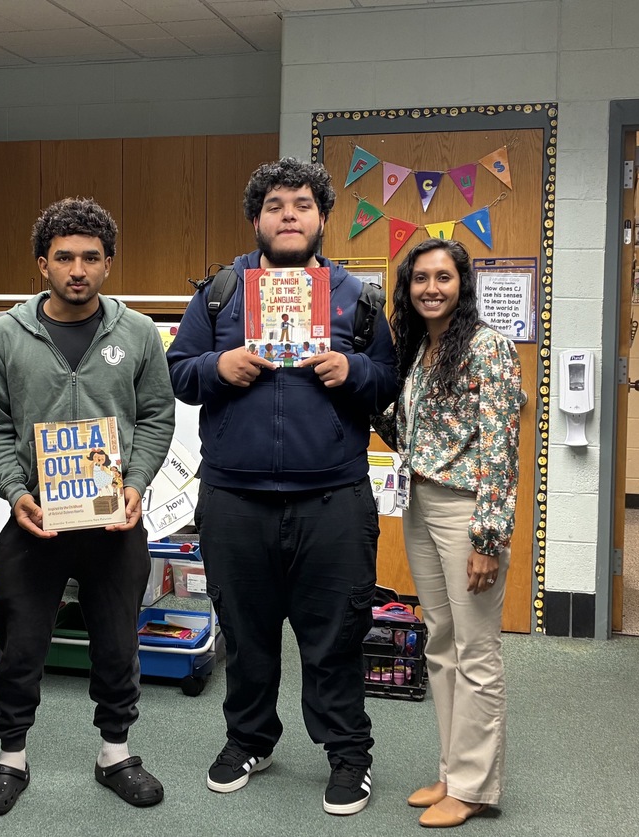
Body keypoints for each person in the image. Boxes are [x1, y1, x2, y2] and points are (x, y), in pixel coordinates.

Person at [167, 157, 398, 816]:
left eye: (301, 203)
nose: (289, 214)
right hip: (235, 497)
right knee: (246, 631)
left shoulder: (358, 296)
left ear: (321, 217)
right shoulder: (220, 291)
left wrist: (351, 367)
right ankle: (249, 739)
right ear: (257, 217)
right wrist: (221, 363)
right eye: (275, 204)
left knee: (336, 633)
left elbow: (386, 380)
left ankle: (349, 752)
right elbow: (179, 373)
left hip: (332, 498)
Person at [0, 197, 175, 816]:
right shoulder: (6, 335)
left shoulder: (138, 333)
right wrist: (17, 493)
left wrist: (137, 483)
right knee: (21, 643)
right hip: (33, 522)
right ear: (42, 264)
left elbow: (156, 419)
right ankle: (11, 757)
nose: (78, 268)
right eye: (65, 257)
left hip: (114, 523)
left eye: (91, 257)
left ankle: (115, 751)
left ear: (108, 264)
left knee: (117, 641)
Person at [374, 238, 520, 828]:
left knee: (476, 649)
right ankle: (454, 770)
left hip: (468, 512)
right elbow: (417, 436)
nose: (431, 288)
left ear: (463, 283)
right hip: (421, 503)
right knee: (440, 641)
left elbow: (499, 448)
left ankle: (477, 786)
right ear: (407, 288)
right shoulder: (420, 348)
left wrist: (488, 538)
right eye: (419, 279)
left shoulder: (489, 348)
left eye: (443, 277)